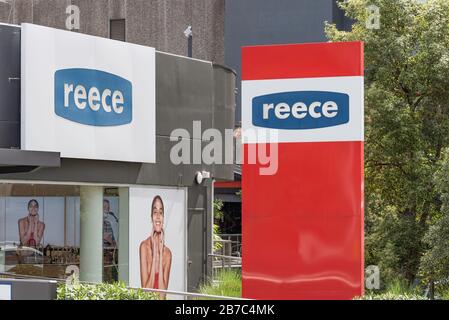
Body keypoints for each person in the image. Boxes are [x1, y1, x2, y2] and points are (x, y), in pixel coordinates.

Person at [139, 195, 172, 298]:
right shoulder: (144, 247)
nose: (158, 216)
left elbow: (162, 296)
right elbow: (146, 293)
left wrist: (161, 255)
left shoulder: (167, 254)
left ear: (163, 218)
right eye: (155, 212)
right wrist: (154, 258)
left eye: (161, 213)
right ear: (151, 217)